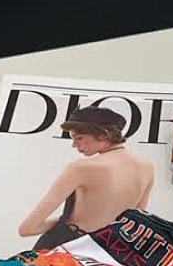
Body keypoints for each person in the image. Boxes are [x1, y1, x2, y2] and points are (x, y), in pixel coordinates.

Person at [18, 106, 154, 251]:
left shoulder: (81, 167)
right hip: (105, 254)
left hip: (63, 248)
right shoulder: (147, 167)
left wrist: (65, 223)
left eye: (79, 138)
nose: (74, 145)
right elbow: (134, 224)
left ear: (104, 134)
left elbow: (27, 228)